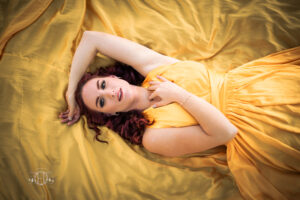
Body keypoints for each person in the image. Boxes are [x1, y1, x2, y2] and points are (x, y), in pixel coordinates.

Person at [59, 31, 300, 199]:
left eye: (102, 85)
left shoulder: (153, 68)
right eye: (102, 102)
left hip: (254, 85)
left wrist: (72, 91)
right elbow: (225, 132)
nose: (110, 93)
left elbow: (92, 39)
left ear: (113, 77)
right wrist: (180, 96)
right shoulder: (152, 136)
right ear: (110, 114)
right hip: (256, 126)